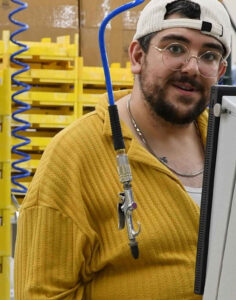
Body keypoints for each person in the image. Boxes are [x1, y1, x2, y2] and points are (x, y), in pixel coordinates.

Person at [14, 0, 232, 299]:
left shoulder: (228, 146)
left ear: (220, 70)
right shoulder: (75, 154)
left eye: (208, 55)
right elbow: (41, 293)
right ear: (138, 56)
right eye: (175, 49)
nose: (192, 68)